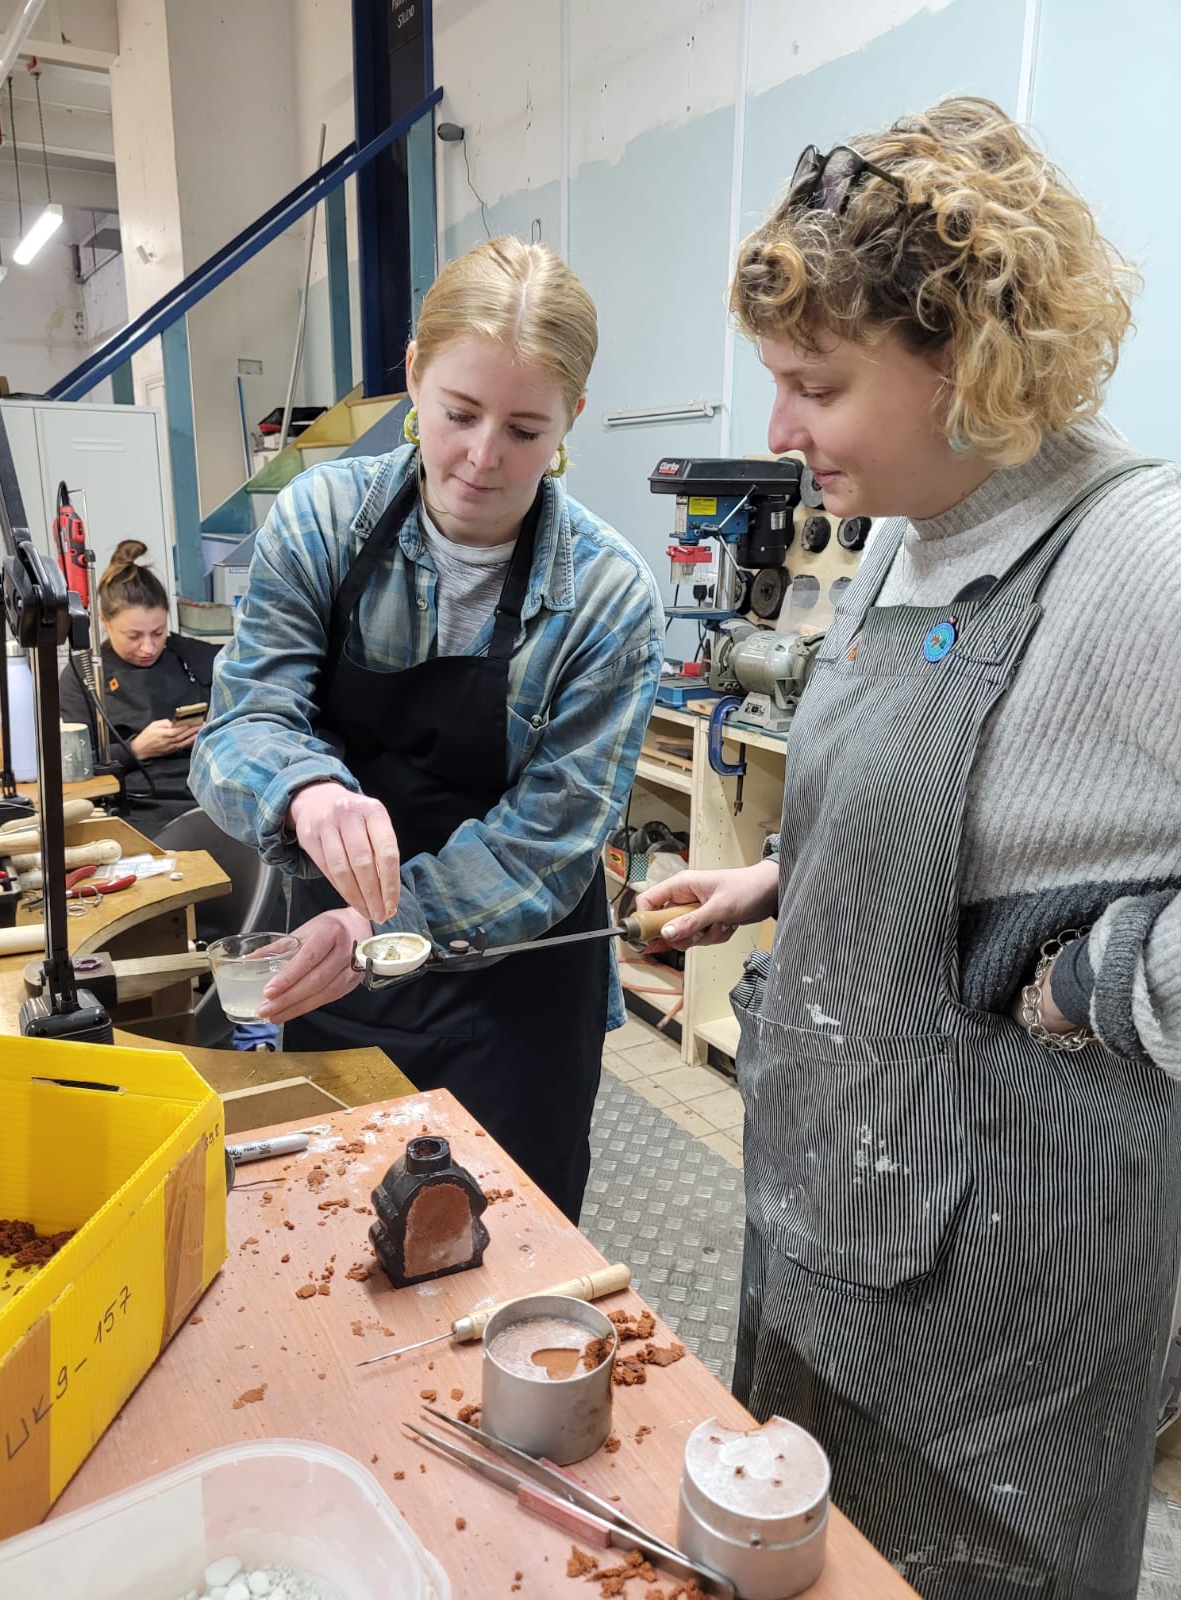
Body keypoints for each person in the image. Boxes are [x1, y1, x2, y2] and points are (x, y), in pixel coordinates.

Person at [639, 97, 1181, 1597]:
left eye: (816, 385)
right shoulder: (903, 529)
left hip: (1020, 1285)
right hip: (839, 1221)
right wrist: (780, 882)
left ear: (967, 361)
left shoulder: (1136, 559)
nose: (778, 432)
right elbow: (964, 812)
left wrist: (1112, 977)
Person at [190, 236, 663, 1222]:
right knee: (336, 1236)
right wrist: (306, 787)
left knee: (500, 1249)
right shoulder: (320, 522)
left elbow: (547, 845)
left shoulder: (608, 598)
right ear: (412, 376)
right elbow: (241, 724)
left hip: (518, 994)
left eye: (527, 429)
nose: (484, 458)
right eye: (457, 415)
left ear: (573, 417)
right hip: (336, 963)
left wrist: (379, 922)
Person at [58, 539, 219, 838]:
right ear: (104, 621)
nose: (148, 647)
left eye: (158, 632)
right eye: (133, 636)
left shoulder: (194, 657)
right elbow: (72, 767)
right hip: (135, 813)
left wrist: (212, 731)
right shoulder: (82, 676)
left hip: (210, 800)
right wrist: (135, 750)